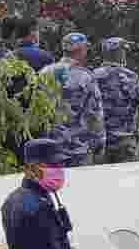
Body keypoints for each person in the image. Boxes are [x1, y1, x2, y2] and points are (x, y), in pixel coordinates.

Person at [41, 31, 104, 167]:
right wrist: (99, 141)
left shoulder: (44, 72)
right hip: (77, 149)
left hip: (48, 145)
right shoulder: (86, 76)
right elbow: (94, 114)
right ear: (81, 50)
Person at [93, 36, 139, 164]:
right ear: (120, 54)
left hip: (101, 139)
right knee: (127, 180)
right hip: (125, 139)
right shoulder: (130, 76)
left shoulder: (93, 75)